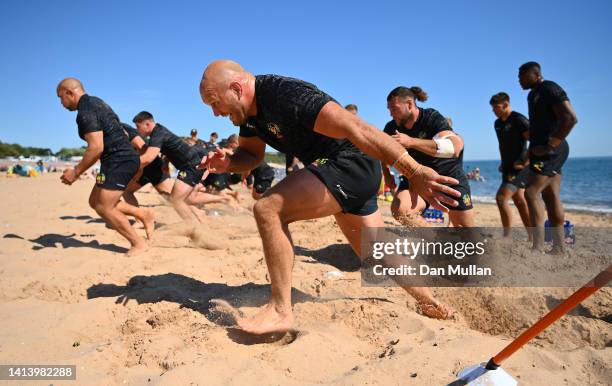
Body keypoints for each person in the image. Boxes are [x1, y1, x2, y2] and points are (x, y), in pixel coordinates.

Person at [198, 60, 461, 334]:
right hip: (340, 168)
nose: (216, 113)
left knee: (268, 209)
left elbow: (358, 128)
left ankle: (280, 310)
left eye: (215, 103)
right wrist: (228, 163)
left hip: (350, 162)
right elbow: (252, 156)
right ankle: (433, 304)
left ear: (237, 89)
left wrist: (415, 170)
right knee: (374, 250)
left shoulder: (284, 94)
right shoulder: (247, 115)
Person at [56, 78, 152, 255]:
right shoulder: (97, 102)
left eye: (61, 97)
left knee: (104, 206)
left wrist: (75, 172)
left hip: (119, 159)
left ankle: (138, 243)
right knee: (95, 201)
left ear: (69, 93)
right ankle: (143, 214)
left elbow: (96, 147)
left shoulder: (85, 111)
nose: (61, 103)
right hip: (114, 160)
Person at [382, 86, 475, 227]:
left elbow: (453, 148)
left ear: (409, 104)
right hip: (416, 179)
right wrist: (387, 174)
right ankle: (436, 241)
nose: (391, 114)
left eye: (394, 109)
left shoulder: (431, 117)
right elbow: (382, 151)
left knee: (465, 230)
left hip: (447, 177)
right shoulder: (391, 128)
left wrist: (411, 142)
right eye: (389, 110)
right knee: (400, 210)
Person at [519, 62, 577, 252]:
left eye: (522, 75)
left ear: (536, 74)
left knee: (530, 192)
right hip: (541, 151)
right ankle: (559, 248)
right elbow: (538, 128)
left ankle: (537, 247)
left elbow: (570, 118)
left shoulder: (549, 88)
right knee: (550, 196)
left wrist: (550, 145)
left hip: (552, 151)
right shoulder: (532, 94)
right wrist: (531, 151)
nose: (519, 79)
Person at [132, 111, 205, 222]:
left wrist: (128, 166)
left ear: (147, 124)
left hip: (191, 167)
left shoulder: (158, 134)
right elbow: (169, 147)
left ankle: (195, 226)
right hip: (189, 166)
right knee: (180, 199)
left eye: (138, 126)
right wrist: (165, 163)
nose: (137, 130)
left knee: (176, 200)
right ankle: (197, 217)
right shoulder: (158, 132)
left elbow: (148, 158)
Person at [490, 92, 531, 237]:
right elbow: (502, 145)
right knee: (520, 201)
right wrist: (503, 162)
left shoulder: (519, 120)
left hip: (519, 169)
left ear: (506, 105)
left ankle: (507, 236)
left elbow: (534, 141)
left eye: (496, 108)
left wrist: (525, 162)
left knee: (501, 198)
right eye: (492, 108)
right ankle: (532, 235)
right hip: (507, 168)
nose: (493, 111)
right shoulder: (497, 124)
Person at [121, 123, 174, 207]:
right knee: (172, 199)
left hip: (149, 166)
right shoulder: (121, 128)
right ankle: (196, 215)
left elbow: (143, 148)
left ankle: (141, 218)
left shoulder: (124, 129)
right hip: (153, 164)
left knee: (126, 191)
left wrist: (139, 170)